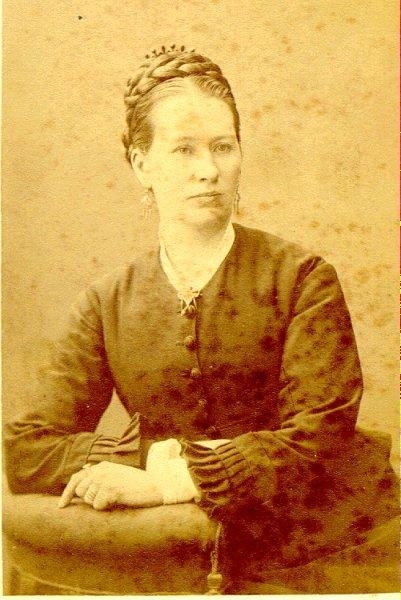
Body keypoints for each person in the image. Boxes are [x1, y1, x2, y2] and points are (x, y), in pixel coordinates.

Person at [4, 47, 398, 594]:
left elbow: (320, 435)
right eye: (184, 149)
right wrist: (146, 458)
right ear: (141, 164)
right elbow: (27, 448)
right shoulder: (107, 302)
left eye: (223, 147)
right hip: (176, 552)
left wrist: (167, 481)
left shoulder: (303, 277)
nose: (208, 170)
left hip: (319, 543)